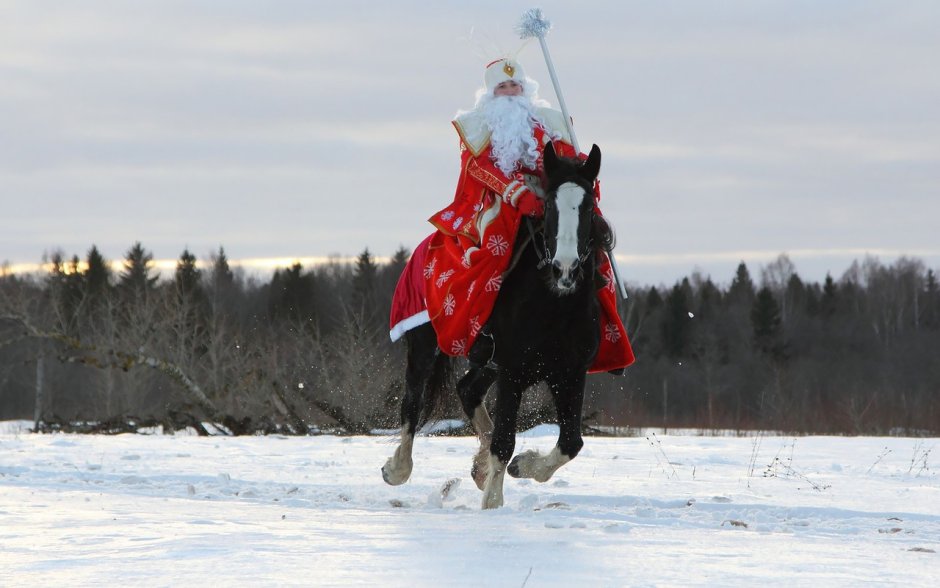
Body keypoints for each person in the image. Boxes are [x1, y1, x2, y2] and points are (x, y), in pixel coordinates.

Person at [389, 57, 634, 374]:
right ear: (492, 93)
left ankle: (597, 333)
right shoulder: (479, 126)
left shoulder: (546, 122)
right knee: (496, 248)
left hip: (549, 197)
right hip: (500, 200)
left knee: (591, 243)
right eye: (502, 87)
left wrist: (581, 166)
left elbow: (564, 155)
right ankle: (485, 330)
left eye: (514, 85)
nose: (509, 92)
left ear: (524, 88)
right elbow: (477, 167)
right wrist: (516, 195)